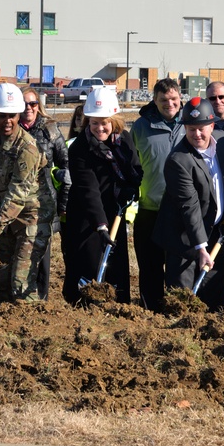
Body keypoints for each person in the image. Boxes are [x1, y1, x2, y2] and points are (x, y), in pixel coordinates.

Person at [155, 97, 224, 309]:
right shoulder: (179, 160)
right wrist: (201, 248)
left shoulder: (223, 143)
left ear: (212, 126)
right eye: (191, 129)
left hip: (213, 233)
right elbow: (189, 207)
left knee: (212, 296)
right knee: (182, 299)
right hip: (182, 239)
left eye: (202, 128)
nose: (197, 134)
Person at [66, 88, 142, 304]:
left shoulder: (123, 140)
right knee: (88, 261)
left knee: (116, 261)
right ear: (87, 122)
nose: (100, 128)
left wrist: (131, 187)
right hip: (86, 215)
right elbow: (87, 189)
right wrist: (100, 225)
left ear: (114, 120)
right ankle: (85, 305)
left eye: (105, 122)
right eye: (94, 123)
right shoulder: (80, 148)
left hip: (115, 210)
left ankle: (118, 304)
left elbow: (134, 168)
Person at [0, 83, 44, 302]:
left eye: (12, 116)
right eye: (2, 116)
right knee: (1, 275)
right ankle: (4, 325)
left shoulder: (27, 147)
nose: (7, 121)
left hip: (30, 217)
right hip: (5, 216)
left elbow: (17, 194)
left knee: (21, 281)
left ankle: (29, 326)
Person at [130, 78, 184, 310]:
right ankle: (150, 307)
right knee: (150, 264)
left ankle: (175, 306)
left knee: (178, 264)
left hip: (182, 210)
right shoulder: (141, 126)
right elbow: (131, 164)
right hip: (150, 209)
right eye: (163, 100)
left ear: (180, 98)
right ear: (154, 100)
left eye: (173, 99)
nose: (169, 104)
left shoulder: (191, 124)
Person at [19, 85, 71, 300]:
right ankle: (19, 296)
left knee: (41, 255)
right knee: (17, 253)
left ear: (38, 106)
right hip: (16, 201)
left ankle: (41, 298)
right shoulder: (10, 127)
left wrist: (63, 204)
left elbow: (66, 165)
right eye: (24, 104)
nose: (29, 108)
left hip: (43, 203)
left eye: (33, 104)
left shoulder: (50, 130)